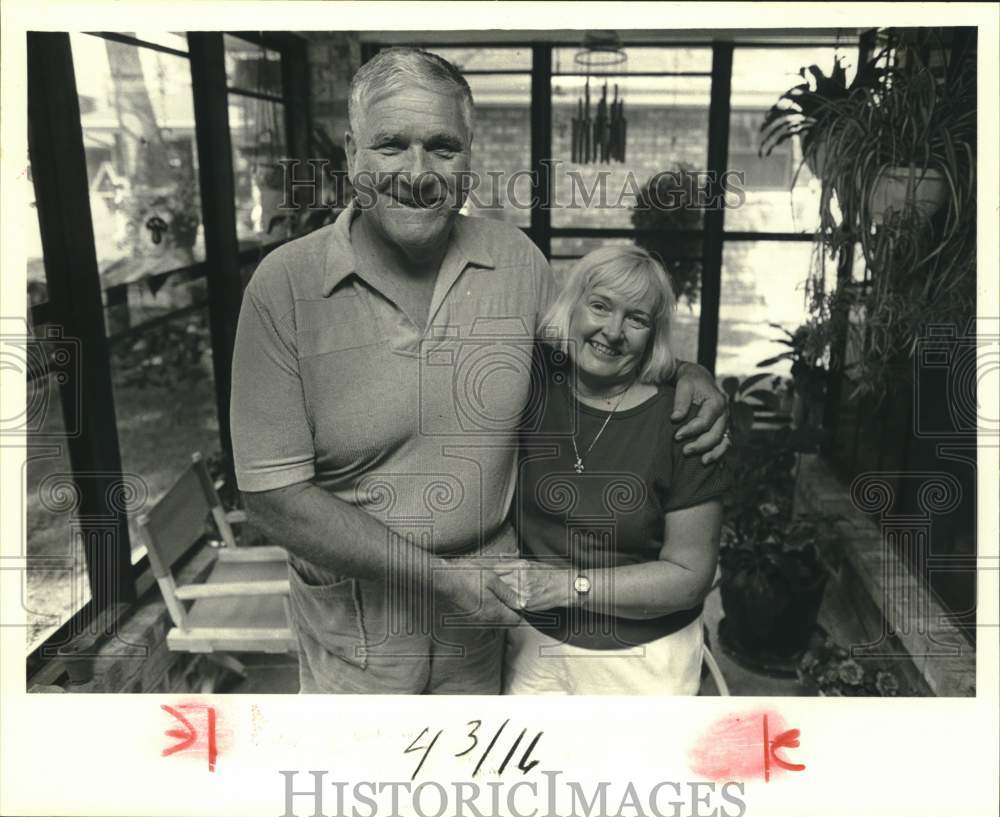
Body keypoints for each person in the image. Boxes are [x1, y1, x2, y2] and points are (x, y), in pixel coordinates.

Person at [230, 47, 730, 694]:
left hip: (485, 629)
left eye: (442, 147)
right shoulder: (283, 288)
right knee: (366, 788)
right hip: (358, 635)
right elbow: (273, 497)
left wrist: (685, 371)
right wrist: (442, 579)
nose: (417, 172)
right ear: (352, 155)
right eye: (390, 146)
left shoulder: (516, 262)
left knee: (474, 785)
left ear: (469, 157)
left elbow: (594, 349)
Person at [498, 246, 731, 695]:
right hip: (534, 646)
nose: (613, 331)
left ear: (654, 334)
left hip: (643, 662)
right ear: (573, 305)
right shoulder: (533, 381)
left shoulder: (685, 421)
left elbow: (689, 576)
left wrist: (570, 587)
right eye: (600, 305)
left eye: (637, 319)